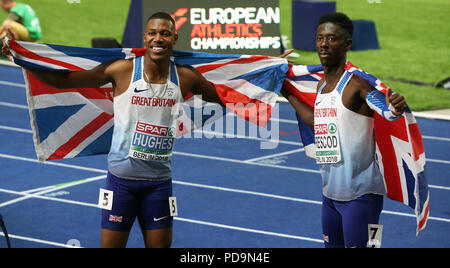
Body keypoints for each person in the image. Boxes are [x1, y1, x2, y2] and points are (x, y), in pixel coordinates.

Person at [2, 12, 226, 248]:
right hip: (121, 183)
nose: (158, 38)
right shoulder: (122, 71)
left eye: (164, 33)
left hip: (159, 184)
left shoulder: (185, 77)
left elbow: (226, 96)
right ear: (145, 37)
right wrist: (21, 59)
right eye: (152, 33)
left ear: (174, 38)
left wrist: (263, 86)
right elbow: (64, 81)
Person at [281, 12, 407, 248]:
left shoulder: (356, 85)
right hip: (330, 196)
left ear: (347, 44)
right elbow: (317, 121)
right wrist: (286, 91)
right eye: (320, 38)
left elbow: (386, 110)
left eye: (332, 38)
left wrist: (393, 109)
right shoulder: (322, 85)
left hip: (363, 199)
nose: (324, 44)